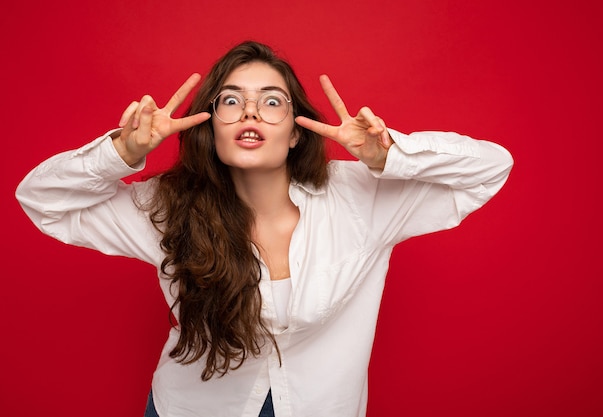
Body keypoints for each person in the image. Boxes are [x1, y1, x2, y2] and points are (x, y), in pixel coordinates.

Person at [15, 41, 513, 417]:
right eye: (231, 101)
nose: (250, 111)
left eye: (272, 102)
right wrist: (120, 153)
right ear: (209, 126)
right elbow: (42, 200)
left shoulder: (363, 197)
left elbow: (490, 168)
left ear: (297, 131)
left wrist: (390, 155)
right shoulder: (163, 207)